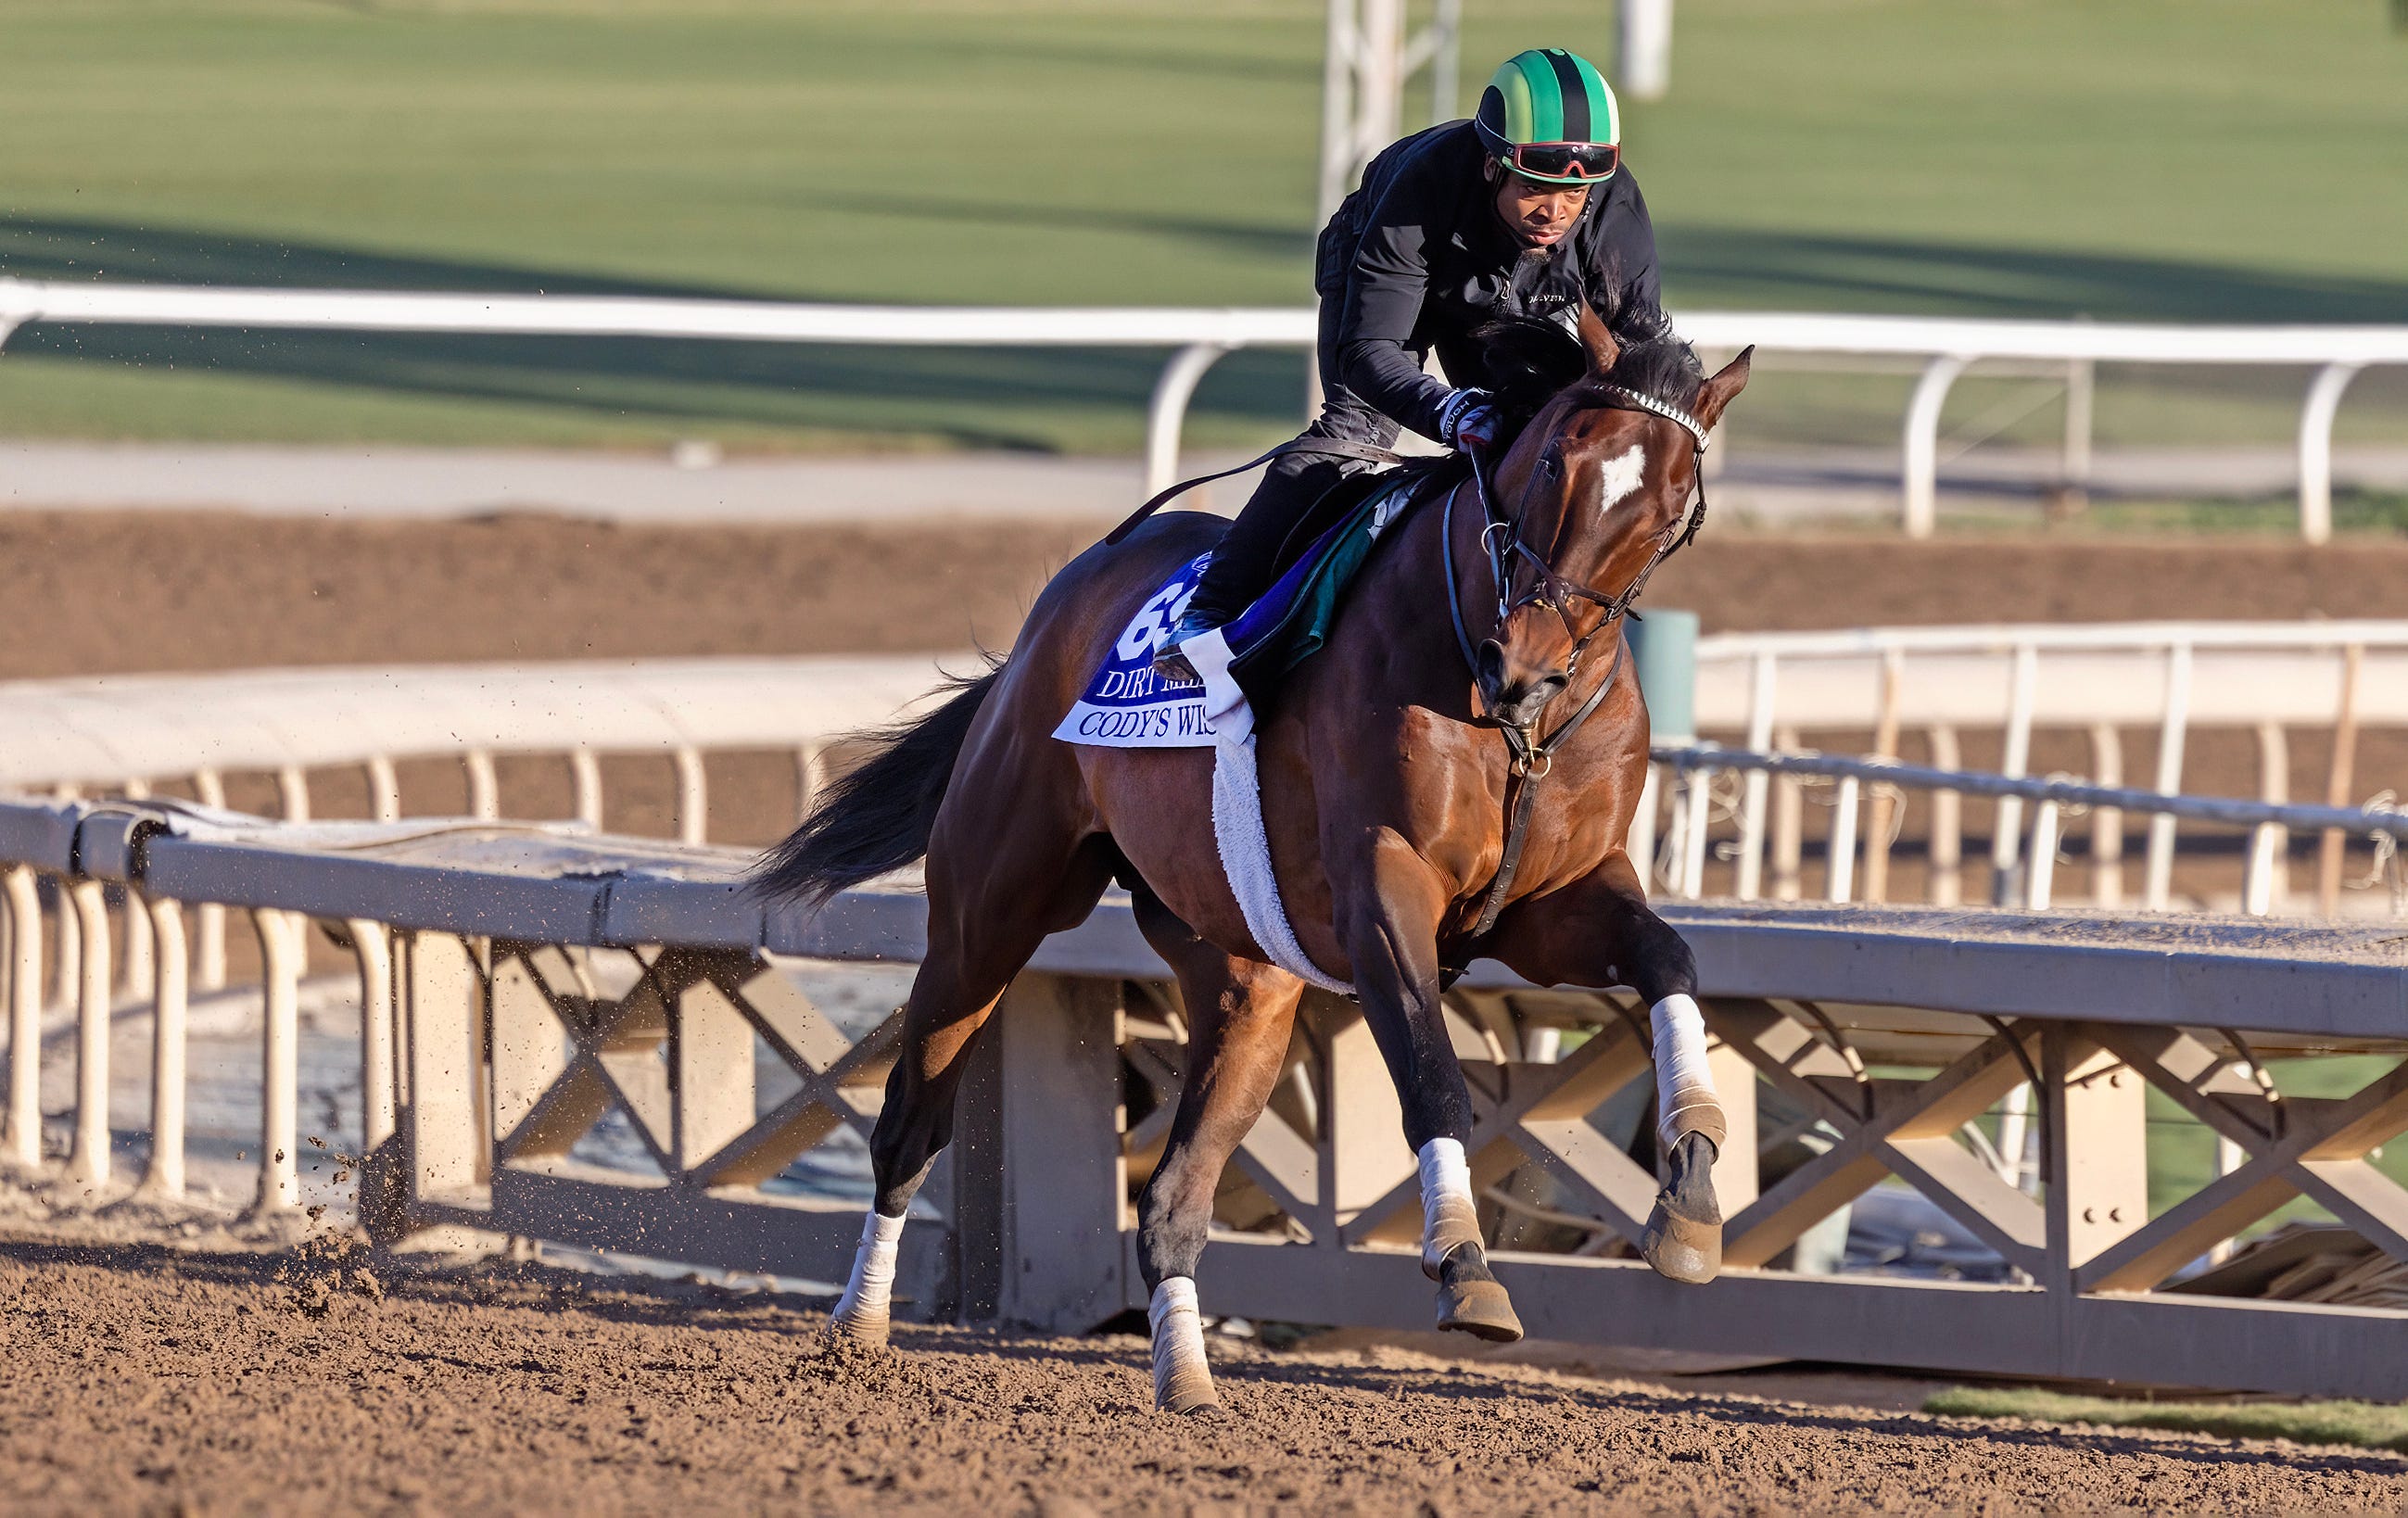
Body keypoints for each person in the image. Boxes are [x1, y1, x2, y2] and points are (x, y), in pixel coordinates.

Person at [1154, 46, 1668, 680]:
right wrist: (1447, 410)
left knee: (1541, 435)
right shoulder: (1422, 188)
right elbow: (1371, 354)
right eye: (1535, 188)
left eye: (1574, 194)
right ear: (1491, 166)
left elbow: (1632, 362)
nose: (1555, 213)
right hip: (1392, 268)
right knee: (1355, 437)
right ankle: (1205, 618)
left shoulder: (1614, 209)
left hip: (1516, 295)